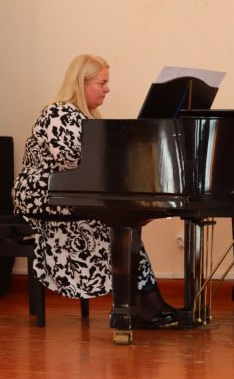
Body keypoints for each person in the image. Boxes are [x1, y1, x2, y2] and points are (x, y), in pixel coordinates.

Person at [12, 54, 191, 329]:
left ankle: (141, 304)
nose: (107, 89)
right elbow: (76, 162)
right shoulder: (57, 114)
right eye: (101, 83)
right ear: (80, 83)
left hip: (72, 191)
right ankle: (138, 305)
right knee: (118, 225)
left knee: (124, 225)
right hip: (44, 194)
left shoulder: (85, 117)